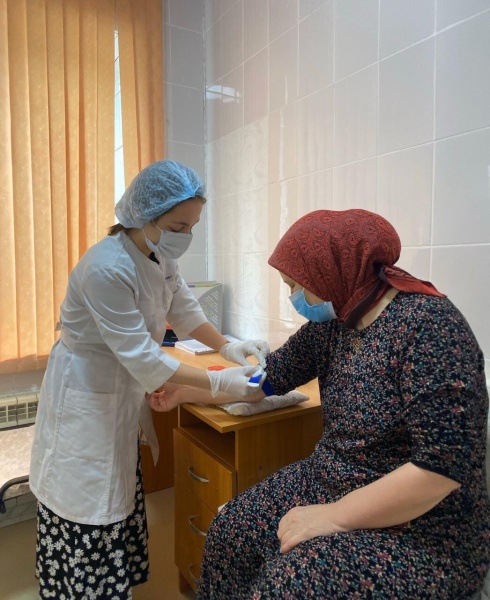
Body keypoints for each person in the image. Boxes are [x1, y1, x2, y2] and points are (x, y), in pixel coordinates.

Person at [181, 208, 489, 599]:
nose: (293, 297)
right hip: (329, 480)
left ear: (331, 272)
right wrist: (188, 390)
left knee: (288, 585)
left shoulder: (431, 327)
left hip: (422, 527)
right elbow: (264, 380)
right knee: (231, 532)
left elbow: (441, 470)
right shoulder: (335, 324)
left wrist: (333, 517)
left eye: (296, 285)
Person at [29, 160, 268, 599]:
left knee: (116, 491)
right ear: (144, 215)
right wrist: (223, 383)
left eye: (192, 226)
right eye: (178, 226)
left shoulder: (158, 255)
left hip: (119, 389)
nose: (185, 235)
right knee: (86, 504)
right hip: (85, 395)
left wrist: (228, 347)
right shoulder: (105, 268)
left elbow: (185, 311)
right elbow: (143, 355)